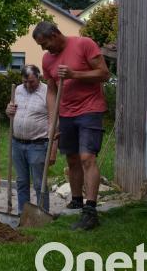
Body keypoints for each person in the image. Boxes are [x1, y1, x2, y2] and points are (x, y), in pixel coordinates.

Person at [33, 21, 110, 230]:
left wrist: (75, 75)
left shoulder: (84, 44)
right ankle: (76, 200)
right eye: (40, 45)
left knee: (87, 157)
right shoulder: (47, 59)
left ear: (56, 34)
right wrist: (53, 119)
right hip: (66, 112)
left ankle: (91, 210)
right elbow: (51, 90)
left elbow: (104, 73)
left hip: (90, 110)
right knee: (72, 158)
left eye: (45, 43)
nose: (44, 49)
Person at [5, 65, 52, 214]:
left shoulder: (47, 92)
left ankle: (42, 213)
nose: (27, 85)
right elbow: (11, 111)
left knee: (39, 182)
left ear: (39, 77)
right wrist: (8, 111)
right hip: (17, 143)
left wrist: (54, 148)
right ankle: (22, 213)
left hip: (38, 144)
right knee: (21, 181)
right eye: (25, 81)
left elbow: (54, 118)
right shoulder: (17, 90)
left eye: (31, 82)